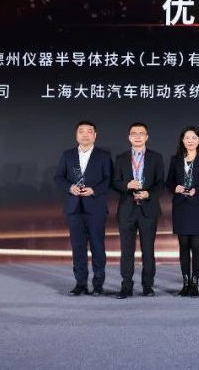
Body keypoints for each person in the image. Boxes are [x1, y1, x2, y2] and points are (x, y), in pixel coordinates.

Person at [54, 120, 112, 296]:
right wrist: (69, 187)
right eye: (81, 131)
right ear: (76, 135)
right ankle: (80, 283)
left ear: (95, 135)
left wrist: (94, 190)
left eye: (89, 131)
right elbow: (58, 177)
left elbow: (109, 179)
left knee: (97, 246)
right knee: (78, 247)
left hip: (95, 208)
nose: (85, 134)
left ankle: (98, 284)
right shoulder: (68, 155)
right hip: (74, 208)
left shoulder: (103, 155)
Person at [110, 122, 164, 299]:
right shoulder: (121, 158)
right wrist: (127, 185)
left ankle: (148, 286)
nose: (138, 136)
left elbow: (160, 184)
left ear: (147, 137)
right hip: (127, 209)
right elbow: (114, 182)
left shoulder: (156, 157)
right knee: (127, 250)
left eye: (141, 133)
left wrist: (149, 193)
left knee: (148, 250)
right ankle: (126, 286)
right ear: (129, 137)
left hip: (148, 209)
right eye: (134, 133)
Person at [165, 126, 199, 297]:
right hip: (180, 206)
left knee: (196, 245)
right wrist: (175, 187)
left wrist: (197, 190)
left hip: (197, 206)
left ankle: (195, 283)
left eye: (194, 138)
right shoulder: (175, 159)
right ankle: (185, 282)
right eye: (187, 138)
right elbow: (169, 182)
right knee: (183, 245)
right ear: (182, 140)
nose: (190, 140)